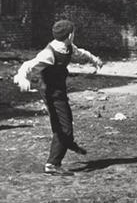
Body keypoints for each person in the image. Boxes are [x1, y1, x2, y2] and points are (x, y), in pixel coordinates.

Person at [13, 19, 103, 176]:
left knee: (62, 123)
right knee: (64, 128)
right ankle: (53, 163)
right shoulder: (49, 53)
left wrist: (94, 59)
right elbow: (28, 65)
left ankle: (67, 143)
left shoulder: (68, 47)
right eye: (73, 33)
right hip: (51, 92)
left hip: (59, 91)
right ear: (70, 35)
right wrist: (22, 78)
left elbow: (80, 53)